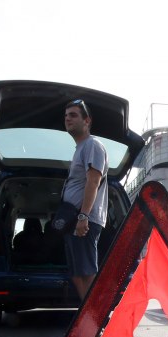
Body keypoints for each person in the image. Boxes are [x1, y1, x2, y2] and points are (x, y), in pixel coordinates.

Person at [62, 99, 109, 300]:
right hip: (74, 219)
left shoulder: (92, 144)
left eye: (73, 115)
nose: (68, 119)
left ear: (87, 121)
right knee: (77, 272)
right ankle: (86, 311)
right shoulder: (80, 148)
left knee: (87, 271)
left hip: (84, 219)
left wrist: (83, 216)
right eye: (66, 116)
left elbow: (93, 180)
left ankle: (94, 315)